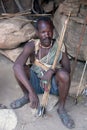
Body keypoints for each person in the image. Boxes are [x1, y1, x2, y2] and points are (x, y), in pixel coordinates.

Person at [10, 16, 75, 129]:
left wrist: (51, 71)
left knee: (63, 75)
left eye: (49, 31)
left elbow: (67, 71)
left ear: (53, 31)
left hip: (52, 86)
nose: (47, 35)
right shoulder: (32, 46)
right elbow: (16, 66)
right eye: (43, 32)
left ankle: (61, 108)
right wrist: (32, 93)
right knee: (21, 70)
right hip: (35, 84)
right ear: (37, 32)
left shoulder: (60, 47)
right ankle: (26, 96)